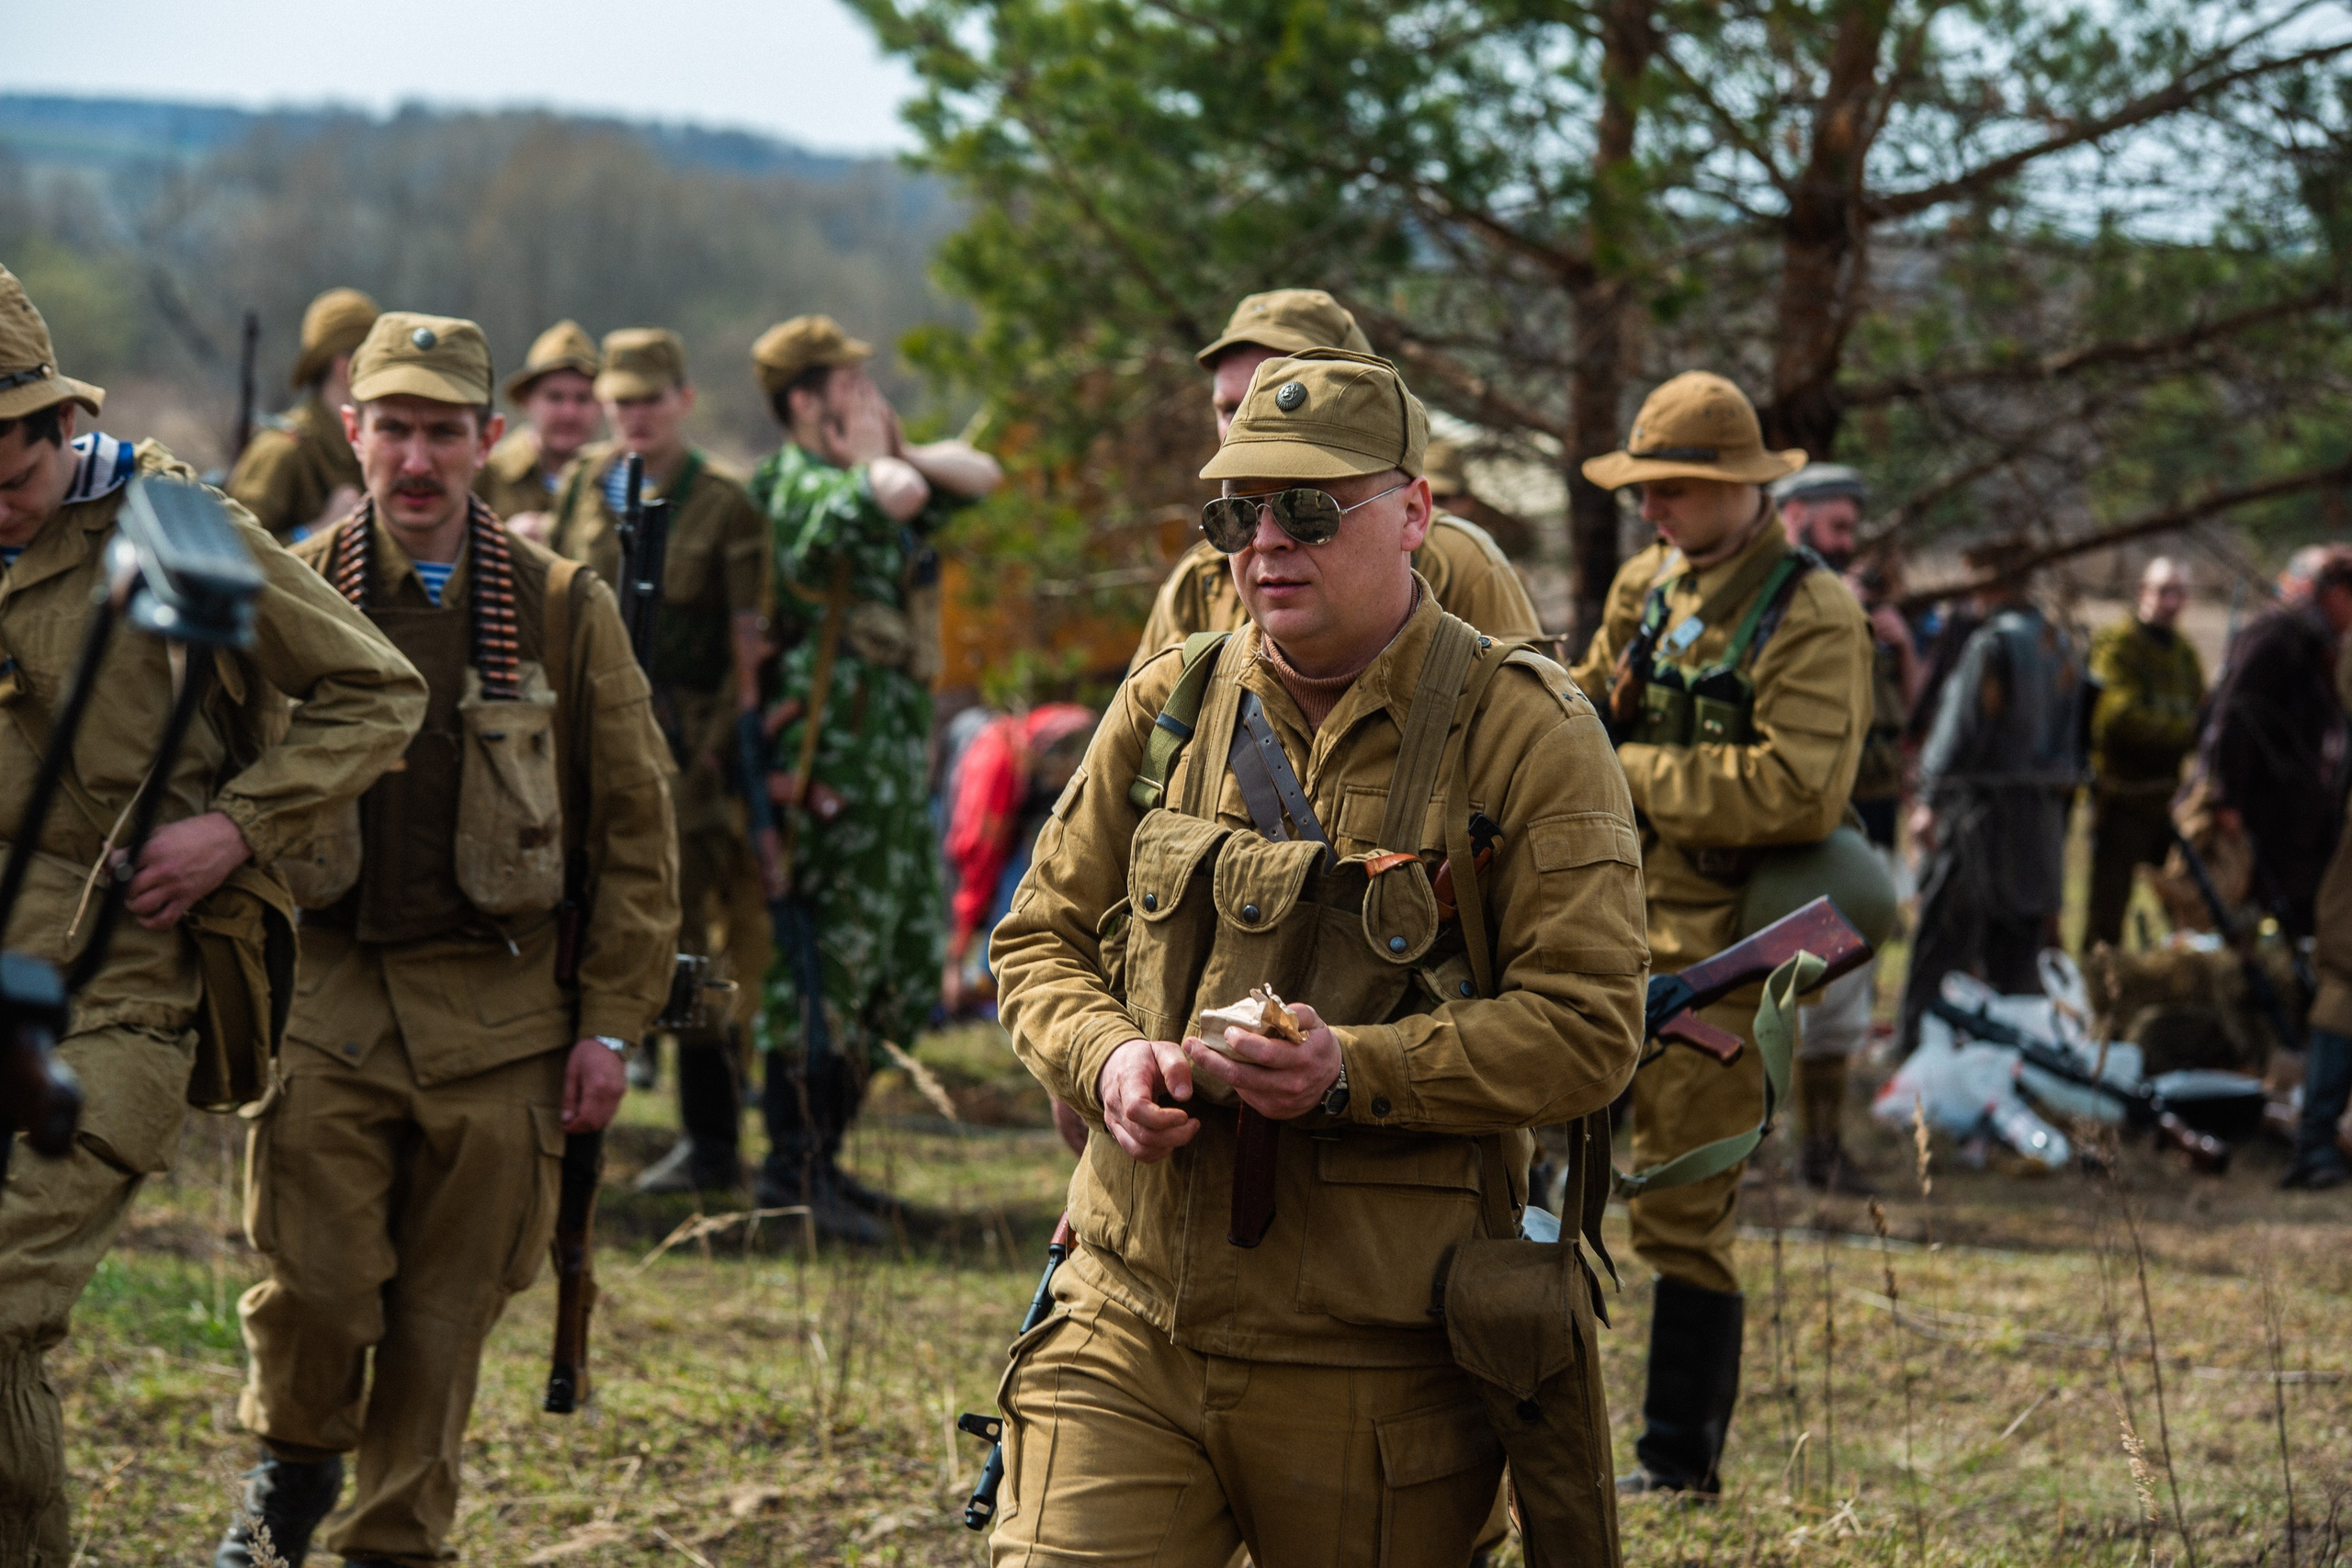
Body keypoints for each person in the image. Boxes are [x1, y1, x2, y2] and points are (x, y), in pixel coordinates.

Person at [987, 347, 1645, 1562]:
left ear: (1415, 514)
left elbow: (1593, 1027)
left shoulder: (1527, 732)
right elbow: (1037, 938)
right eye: (1238, 512)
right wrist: (1108, 1057)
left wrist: (1353, 1068)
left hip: (1373, 1353)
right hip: (1128, 1308)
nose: (1266, 544)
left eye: (1309, 508)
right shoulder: (1170, 702)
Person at [217, 312, 681, 1568]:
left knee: (442, 1321)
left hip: (505, 1017)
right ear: (353, 431)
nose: (416, 462)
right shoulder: (288, 590)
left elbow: (636, 830)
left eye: (443, 433)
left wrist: (610, 1024)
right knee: (311, 1283)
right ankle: (295, 1457)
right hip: (329, 995)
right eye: (394, 431)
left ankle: (392, 1543)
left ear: (488, 440)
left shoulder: (562, 608)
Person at [0, 264, 426, 1565]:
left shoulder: (170, 522)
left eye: (6, 472)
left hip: (130, 986)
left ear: (55, 426)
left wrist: (235, 823)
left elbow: (377, 689)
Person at [1567, 373, 1872, 1495]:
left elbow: (1795, 789)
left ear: (1742, 489)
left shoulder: (1812, 614)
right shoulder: (1646, 582)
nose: (1652, 510)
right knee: (1547, 1194)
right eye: (1642, 489)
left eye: (1675, 491)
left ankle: (1675, 1461)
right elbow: (1588, 705)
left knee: (1684, 1209)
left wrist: (1624, 772)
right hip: (1599, 928)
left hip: (1723, 958)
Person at [745, 314, 1002, 1237]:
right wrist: (875, 456)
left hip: (891, 786)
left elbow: (978, 476)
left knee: (895, 976)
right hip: (826, 784)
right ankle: (787, 1172)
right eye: (850, 384)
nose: (869, 396)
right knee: (820, 978)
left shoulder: (868, 469)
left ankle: (826, 1162)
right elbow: (890, 494)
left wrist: (892, 443)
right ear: (805, 401)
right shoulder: (794, 487)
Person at [537, 327, 772, 1191]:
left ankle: (712, 1142)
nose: (633, 416)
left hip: (684, 751)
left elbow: (749, 655)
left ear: (682, 400)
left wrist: (702, 763)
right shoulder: (591, 489)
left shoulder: (725, 503)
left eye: (648, 399)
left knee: (688, 945)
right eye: (619, 401)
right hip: (581, 736)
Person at [1130, 288, 1542, 667]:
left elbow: (1528, 717)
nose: (1248, 429)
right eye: (1229, 409)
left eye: (1281, 398)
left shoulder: (1455, 563)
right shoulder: (1199, 582)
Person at [1896, 537, 2086, 1056]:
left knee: (1942, 940)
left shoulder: (1993, 644)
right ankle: (2012, 1057)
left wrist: (1928, 800)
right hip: (2040, 821)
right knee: (2017, 954)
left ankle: (1916, 1051)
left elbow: (1958, 733)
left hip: (1981, 820)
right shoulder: (2059, 641)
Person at [1771, 462, 1906, 1190]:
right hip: (1818, 830)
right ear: (1795, 516)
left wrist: (1900, 642)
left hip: (1873, 821)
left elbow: (1898, 716)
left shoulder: (1855, 604)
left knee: (1850, 1001)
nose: (1851, 543)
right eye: (1838, 526)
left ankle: (1824, 1143)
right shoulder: (1795, 602)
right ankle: (1798, 1143)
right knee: (1811, 992)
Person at [2194, 549, 2352, 941]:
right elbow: (2234, 713)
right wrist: (2228, 797)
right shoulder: (2277, 633)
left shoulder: (2323, 647)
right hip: (2265, 814)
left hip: (2304, 819)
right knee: (2249, 926)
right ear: (2336, 594)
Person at [940, 703, 1096, 1016]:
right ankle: (976, 983)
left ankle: (992, 978)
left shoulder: (1057, 731)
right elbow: (977, 864)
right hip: (971, 840)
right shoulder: (997, 772)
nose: (1059, 778)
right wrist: (955, 956)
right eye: (1056, 769)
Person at [2085, 558, 2204, 951]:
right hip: (2121, 800)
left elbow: (2203, 713)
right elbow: (2117, 718)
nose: (2171, 602)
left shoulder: (2184, 654)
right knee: (2107, 914)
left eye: (2179, 593)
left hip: (2168, 803)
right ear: (2143, 593)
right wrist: (2183, 732)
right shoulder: (2119, 643)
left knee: (2185, 906)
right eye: (2163, 591)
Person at [227, 287, 379, 542]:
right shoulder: (282, 450)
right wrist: (317, 531)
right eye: (377, 360)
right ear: (346, 367)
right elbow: (235, 550)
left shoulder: (374, 445)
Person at [475, 319, 602, 541]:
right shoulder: (486, 473)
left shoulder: (614, 482)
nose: (569, 413)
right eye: (555, 397)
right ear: (527, 400)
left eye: (582, 399)